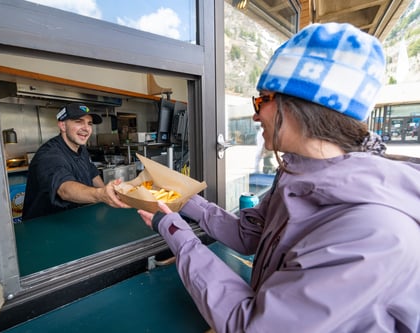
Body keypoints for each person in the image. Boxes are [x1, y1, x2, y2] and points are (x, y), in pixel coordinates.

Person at [137, 23, 420, 332]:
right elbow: (248, 236)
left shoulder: (373, 231)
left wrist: (177, 233)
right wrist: (180, 199)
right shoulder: (297, 174)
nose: (256, 115)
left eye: (262, 101)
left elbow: (252, 326)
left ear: (301, 105)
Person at [22, 102, 128, 220]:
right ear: (62, 126)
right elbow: (65, 190)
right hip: (45, 225)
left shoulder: (81, 149)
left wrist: (108, 194)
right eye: (79, 122)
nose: (86, 128)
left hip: (74, 218)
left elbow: (92, 174)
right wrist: (101, 194)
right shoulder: (49, 155)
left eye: (89, 123)